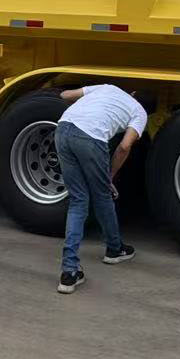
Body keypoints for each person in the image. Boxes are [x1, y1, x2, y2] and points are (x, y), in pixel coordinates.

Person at [52, 82, 147, 293]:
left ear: (131, 92)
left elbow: (66, 95)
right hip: (90, 138)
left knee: (78, 200)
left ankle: (69, 272)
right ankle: (114, 250)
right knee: (102, 196)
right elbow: (124, 147)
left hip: (63, 129)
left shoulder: (107, 88)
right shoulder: (139, 112)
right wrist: (109, 177)